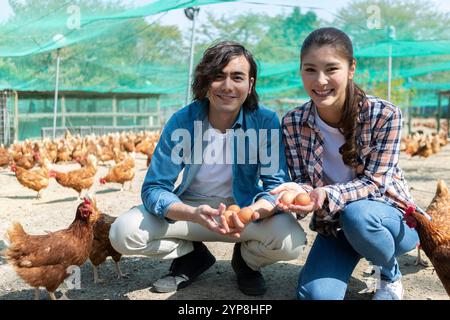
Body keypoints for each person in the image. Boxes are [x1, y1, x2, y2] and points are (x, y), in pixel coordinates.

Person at [109, 41, 306, 296]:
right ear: (205, 82)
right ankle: (192, 257)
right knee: (123, 233)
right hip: (192, 210)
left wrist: (251, 213)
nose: (227, 86)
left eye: (237, 77)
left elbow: (275, 187)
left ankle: (246, 262)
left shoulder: (264, 121)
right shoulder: (184, 121)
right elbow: (155, 187)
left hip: (242, 210)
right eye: (218, 76)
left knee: (291, 242)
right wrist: (191, 213)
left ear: (250, 84)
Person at [270, 27, 423, 300]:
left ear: (351, 68)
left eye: (331, 69)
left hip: (387, 221)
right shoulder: (292, 122)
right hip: (336, 225)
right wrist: (298, 194)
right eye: (310, 70)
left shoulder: (384, 115)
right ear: (301, 71)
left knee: (358, 215)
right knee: (317, 296)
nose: (320, 80)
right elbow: (303, 180)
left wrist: (327, 193)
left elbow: (376, 183)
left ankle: (388, 273)